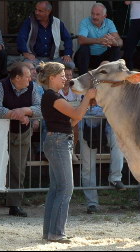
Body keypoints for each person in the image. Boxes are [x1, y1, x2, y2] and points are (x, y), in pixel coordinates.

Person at [38, 61, 96, 243]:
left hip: (58, 140)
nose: (65, 78)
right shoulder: (52, 96)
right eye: (62, 75)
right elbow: (77, 115)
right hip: (59, 143)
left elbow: (70, 122)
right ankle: (56, 233)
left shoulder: (51, 96)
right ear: (52, 77)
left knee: (56, 189)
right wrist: (87, 98)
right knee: (65, 189)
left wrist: (85, 103)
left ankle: (50, 232)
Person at [0, 62, 42, 217]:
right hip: (0, 132)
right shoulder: (0, 86)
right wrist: (18, 115)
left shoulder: (33, 87)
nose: (30, 79)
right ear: (17, 77)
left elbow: (40, 109)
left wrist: (25, 110)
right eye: (27, 77)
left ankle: (15, 204)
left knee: (18, 169)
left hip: (22, 132)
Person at [16, 1, 75, 68]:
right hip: (35, 58)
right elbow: (21, 37)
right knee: (27, 66)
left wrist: (67, 54)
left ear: (48, 12)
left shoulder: (57, 23)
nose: (36, 12)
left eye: (40, 11)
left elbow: (67, 38)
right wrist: (25, 53)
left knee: (70, 65)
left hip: (54, 59)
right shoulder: (29, 22)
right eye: (36, 9)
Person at [74, 3, 123, 75]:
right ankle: (83, 76)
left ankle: (113, 75)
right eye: (93, 14)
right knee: (84, 48)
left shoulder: (109, 23)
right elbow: (81, 40)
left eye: (97, 14)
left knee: (116, 49)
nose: (94, 17)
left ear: (104, 16)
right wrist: (99, 41)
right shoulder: (85, 22)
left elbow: (120, 41)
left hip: (102, 59)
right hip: (87, 58)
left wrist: (114, 42)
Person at [58, 66, 81, 161]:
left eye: (70, 75)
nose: (68, 77)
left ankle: (72, 151)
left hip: (73, 116)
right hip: (60, 117)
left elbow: (79, 103)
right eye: (66, 75)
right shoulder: (57, 89)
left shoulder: (76, 89)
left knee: (76, 128)